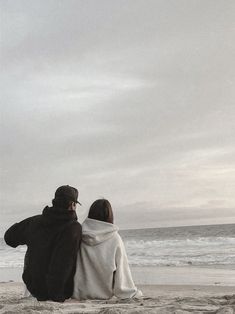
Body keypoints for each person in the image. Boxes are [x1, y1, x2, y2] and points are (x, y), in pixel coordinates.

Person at [4, 185, 82, 302]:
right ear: (72, 205)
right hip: (56, 291)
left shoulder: (35, 221)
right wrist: (56, 296)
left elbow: (9, 237)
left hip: (33, 285)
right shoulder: (73, 228)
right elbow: (63, 263)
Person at [73, 199, 142, 300]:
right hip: (103, 296)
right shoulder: (115, 238)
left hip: (78, 295)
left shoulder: (79, 235)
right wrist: (131, 293)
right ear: (110, 216)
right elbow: (122, 273)